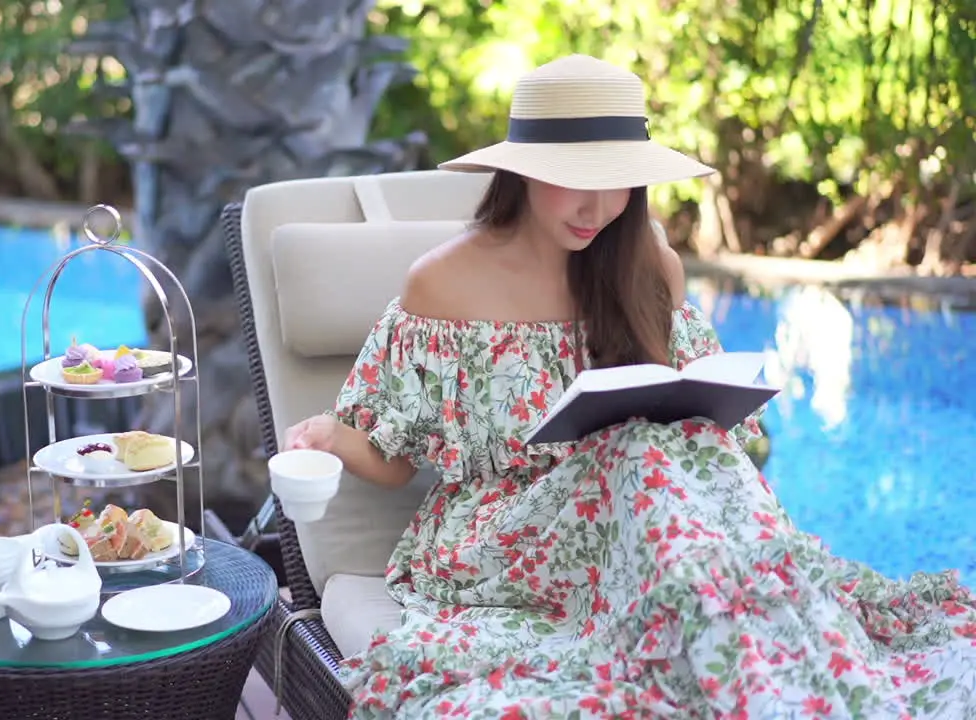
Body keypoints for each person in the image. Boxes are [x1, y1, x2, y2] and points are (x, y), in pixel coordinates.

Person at [283, 54, 976, 719]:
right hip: (497, 545)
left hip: (639, 516)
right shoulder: (442, 281)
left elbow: (706, 443)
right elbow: (396, 459)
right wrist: (328, 436)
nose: (598, 206)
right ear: (521, 173)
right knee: (645, 455)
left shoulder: (648, 264)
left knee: (674, 449)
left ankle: (786, 674)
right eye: (575, 181)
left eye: (619, 183)